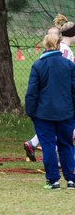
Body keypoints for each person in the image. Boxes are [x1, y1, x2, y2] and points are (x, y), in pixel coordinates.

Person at [25, 32, 75, 190]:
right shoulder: (69, 65)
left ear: (45, 46)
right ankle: (71, 179)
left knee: (48, 146)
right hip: (66, 113)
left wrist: (31, 112)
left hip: (43, 115)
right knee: (66, 145)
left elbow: (32, 92)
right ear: (59, 45)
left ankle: (53, 180)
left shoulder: (38, 65)